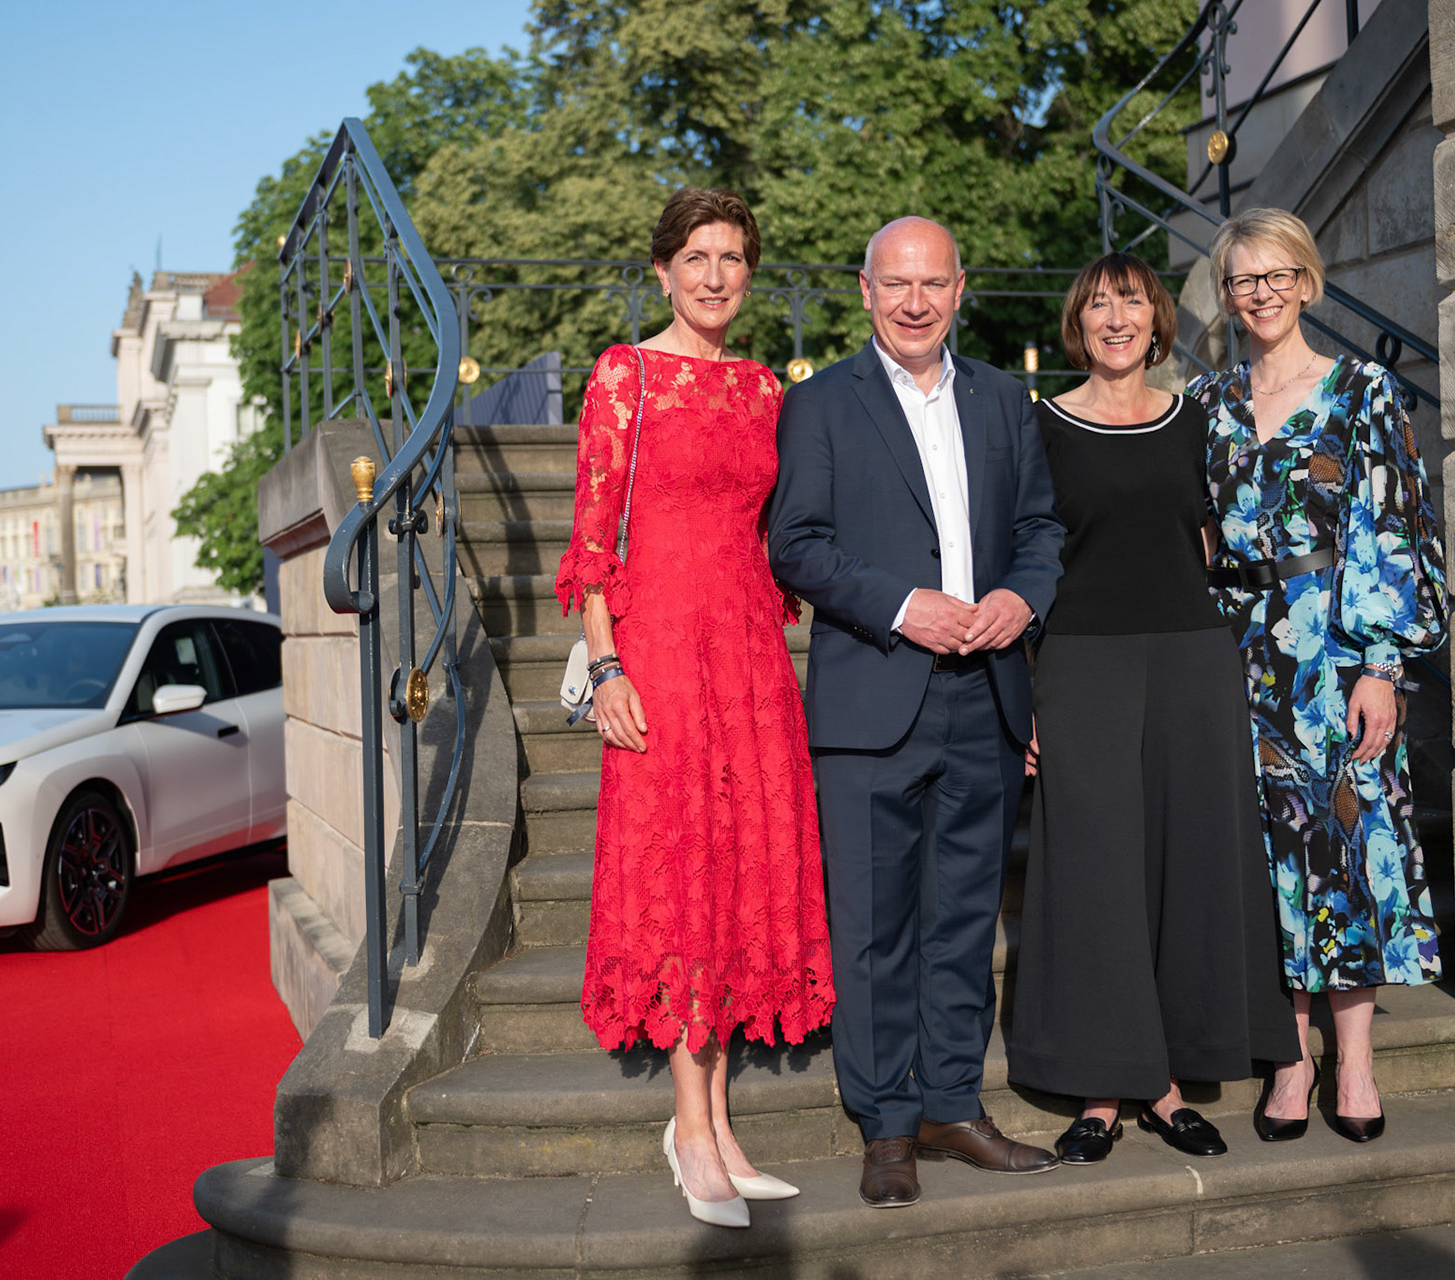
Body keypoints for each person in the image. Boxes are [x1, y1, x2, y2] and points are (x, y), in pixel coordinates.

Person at [769, 216, 1067, 1209]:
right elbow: (797, 544)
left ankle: (953, 1105)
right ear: (864, 290)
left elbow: (1037, 530)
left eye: (932, 281)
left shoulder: (1001, 397)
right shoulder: (819, 405)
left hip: (985, 698)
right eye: (896, 282)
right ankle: (887, 1123)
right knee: (871, 928)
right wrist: (905, 606)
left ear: (959, 285)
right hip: (870, 702)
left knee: (960, 921)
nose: (914, 299)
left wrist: (1022, 600)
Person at [554, 187, 834, 1229]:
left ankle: (715, 1122)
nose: (716, 275)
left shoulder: (767, 388)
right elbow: (592, 538)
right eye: (697, 256)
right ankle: (687, 1122)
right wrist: (608, 663)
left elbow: (780, 530)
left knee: (737, 868)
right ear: (664, 269)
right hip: (658, 654)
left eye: (732, 258)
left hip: (752, 654)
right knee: (676, 872)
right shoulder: (624, 374)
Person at [1005, 252, 1298, 1166]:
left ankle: (1167, 1085)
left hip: (1190, 663)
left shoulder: (1198, 419)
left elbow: (1232, 538)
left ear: (1158, 318)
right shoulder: (1038, 427)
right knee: (1095, 873)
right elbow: (1020, 560)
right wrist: (1024, 696)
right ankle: (1100, 1088)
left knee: (1184, 865)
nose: (1116, 320)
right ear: (1077, 325)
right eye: (1098, 306)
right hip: (1079, 666)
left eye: (1131, 302)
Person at [1188, 208, 1450, 1144]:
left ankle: (1358, 1065)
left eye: (1274, 276)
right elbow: (1196, 532)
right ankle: (1289, 1063)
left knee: (1348, 849)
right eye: (1240, 281)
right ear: (1226, 296)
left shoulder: (1364, 389)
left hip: (1336, 654)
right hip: (1236, 653)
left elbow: (1394, 529)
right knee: (1264, 861)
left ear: (1306, 280)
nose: (1258, 294)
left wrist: (1382, 664)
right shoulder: (1208, 400)